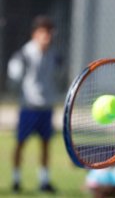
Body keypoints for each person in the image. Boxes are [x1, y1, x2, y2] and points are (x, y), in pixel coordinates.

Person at [7, 15, 60, 193]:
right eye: (43, 32)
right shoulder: (25, 53)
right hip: (29, 107)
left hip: (46, 107)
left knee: (46, 144)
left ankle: (44, 180)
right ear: (35, 34)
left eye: (49, 33)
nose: (47, 37)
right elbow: (13, 75)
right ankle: (16, 180)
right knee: (20, 143)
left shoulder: (53, 53)